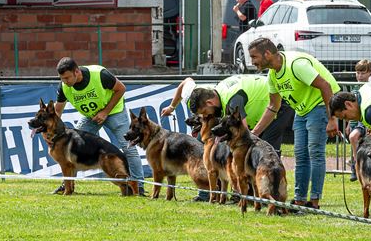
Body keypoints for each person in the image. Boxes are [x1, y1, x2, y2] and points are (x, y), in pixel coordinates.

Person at [247, 37, 340, 210]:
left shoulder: (296, 65)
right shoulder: (273, 75)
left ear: (267, 54)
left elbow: (325, 86)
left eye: (254, 57)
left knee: (315, 152)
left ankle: (314, 201)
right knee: (300, 154)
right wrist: (254, 133)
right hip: (302, 110)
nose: (252, 62)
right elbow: (273, 107)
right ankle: (299, 200)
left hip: (320, 104)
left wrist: (332, 118)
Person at [53, 57, 144, 195]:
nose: (64, 82)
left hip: (114, 112)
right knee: (73, 147)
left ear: (77, 72)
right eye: (62, 79)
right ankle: (67, 186)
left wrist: (105, 112)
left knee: (128, 148)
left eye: (67, 78)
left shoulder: (99, 74)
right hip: (91, 116)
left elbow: (121, 89)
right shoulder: (64, 86)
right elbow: (57, 111)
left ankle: (139, 186)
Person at [162, 74, 293, 155]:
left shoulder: (232, 102)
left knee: (264, 150)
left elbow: (245, 135)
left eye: (204, 113)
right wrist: (171, 107)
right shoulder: (202, 91)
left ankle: (264, 192)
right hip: (255, 103)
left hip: (278, 103)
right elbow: (186, 81)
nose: (205, 117)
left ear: (209, 102)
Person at [346, 59, 371, 182]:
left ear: (370, 74)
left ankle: (355, 164)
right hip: (353, 121)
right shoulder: (354, 88)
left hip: (363, 121)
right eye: (358, 73)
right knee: (353, 140)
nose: (360, 76)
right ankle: (356, 163)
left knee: (353, 137)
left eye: (363, 73)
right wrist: (348, 124)